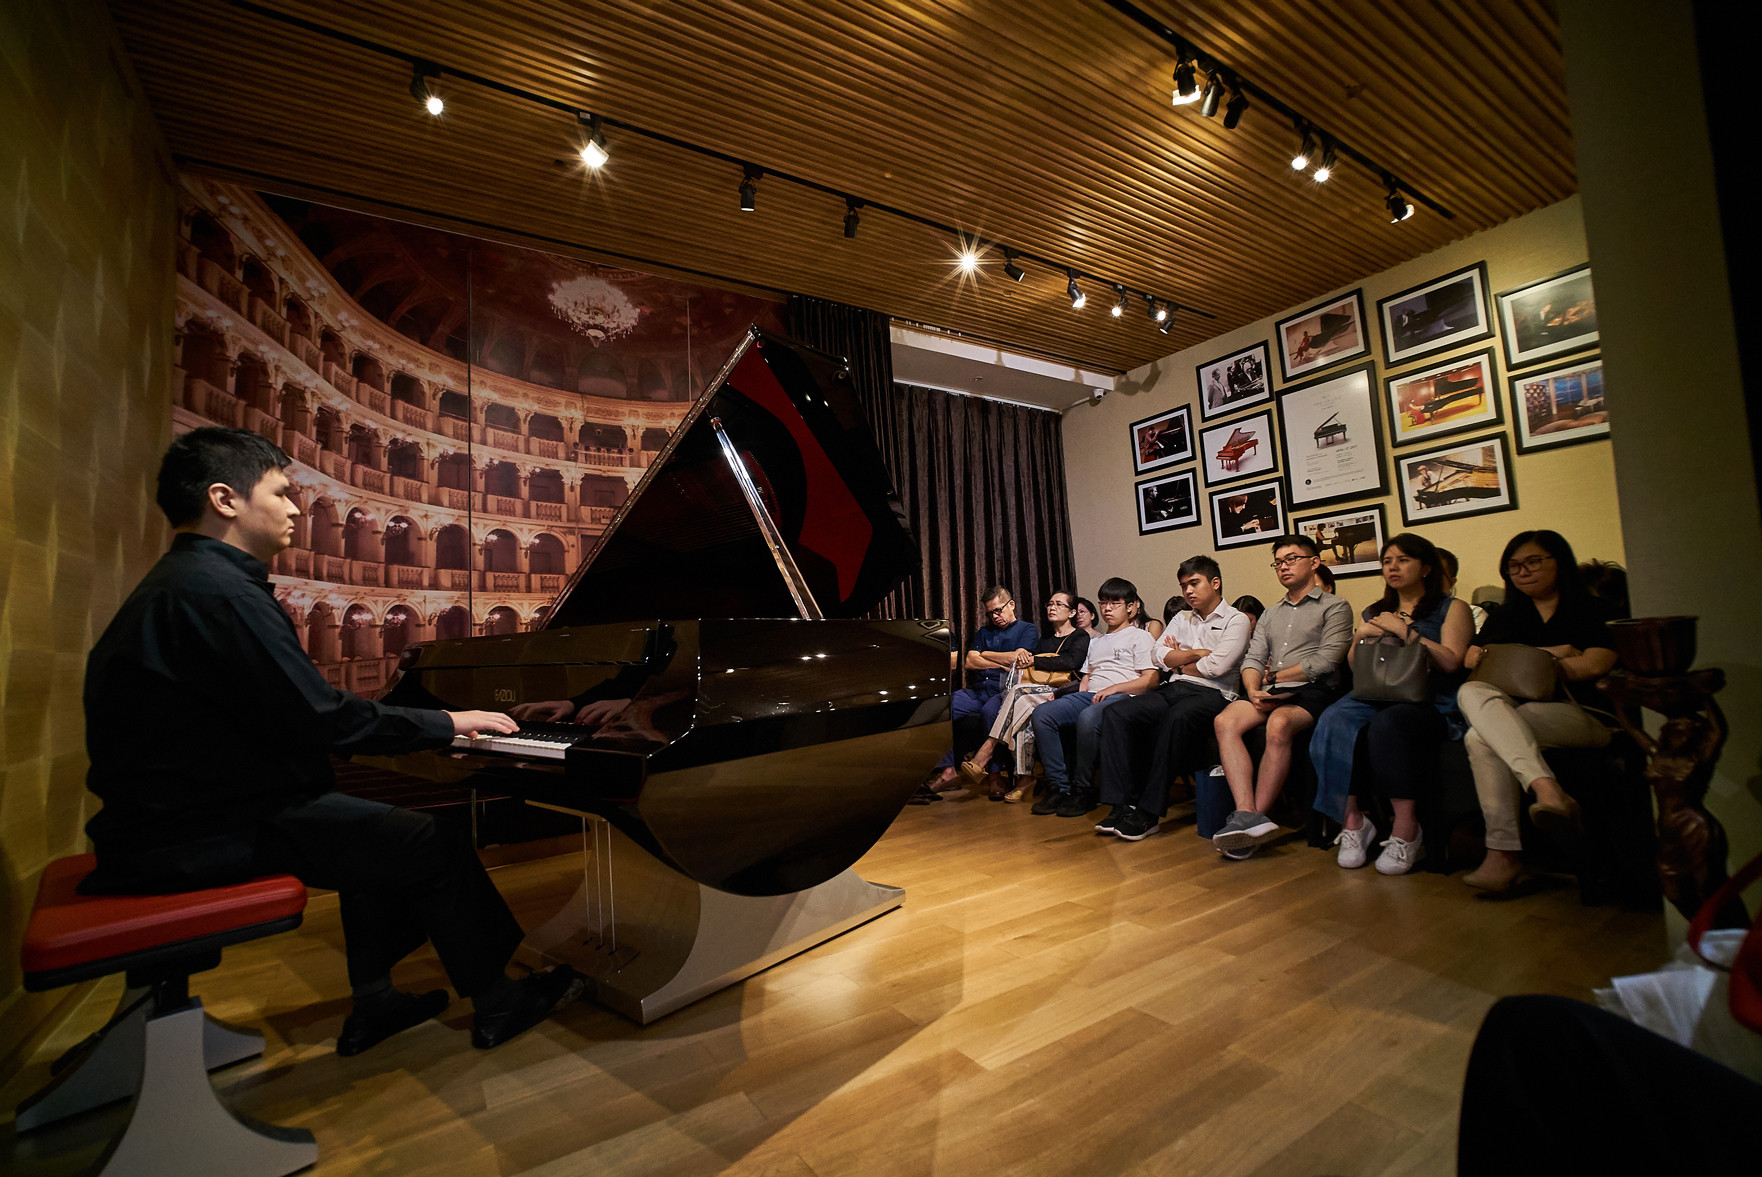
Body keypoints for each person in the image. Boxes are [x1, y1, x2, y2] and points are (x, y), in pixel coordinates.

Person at [79, 428, 583, 1056]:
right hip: (197, 832)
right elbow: (322, 717)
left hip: (166, 821)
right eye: (282, 492)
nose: (295, 509)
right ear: (224, 499)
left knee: (372, 835)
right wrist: (447, 724)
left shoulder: (184, 582)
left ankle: (375, 1002)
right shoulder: (222, 593)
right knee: (431, 840)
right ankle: (500, 1001)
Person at [1459, 531, 1618, 892]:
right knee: (1472, 699)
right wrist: (1556, 653)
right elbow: (1472, 659)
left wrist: (1518, 660)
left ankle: (1504, 855)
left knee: (1482, 733)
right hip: (1518, 711)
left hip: (1582, 712)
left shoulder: (1594, 609)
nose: (1523, 572)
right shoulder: (1507, 615)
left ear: (1559, 561)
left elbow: (1595, 664)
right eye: (1514, 567)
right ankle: (1547, 794)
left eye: (1533, 562)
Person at [1309, 533, 1474, 874]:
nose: (1393, 567)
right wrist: (1360, 636)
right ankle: (1353, 823)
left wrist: (1405, 631)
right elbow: (1357, 667)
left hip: (1429, 699)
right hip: (1375, 693)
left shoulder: (1451, 608)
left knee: (1389, 726)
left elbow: (1452, 661)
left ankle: (1406, 829)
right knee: (1332, 719)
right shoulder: (1375, 610)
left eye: (1403, 560)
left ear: (1426, 567)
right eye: (1387, 561)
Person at [1211, 535, 1353, 857]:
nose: (1284, 567)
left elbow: (1326, 661)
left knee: (1278, 725)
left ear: (1314, 562)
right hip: (1271, 691)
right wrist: (1252, 689)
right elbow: (1252, 659)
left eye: (1291, 559)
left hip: (1316, 691)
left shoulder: (1336, 606)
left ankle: (1252, 821)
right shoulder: (1271, 613)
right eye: (1278, 562)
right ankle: (1247, 814)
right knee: (1225, 721)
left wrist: (1273, 676)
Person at [1092, 557, 1250, 841]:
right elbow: (1157, 656)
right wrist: (1195, 654)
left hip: (1215, 694)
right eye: (1183, 586)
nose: (1188, 591)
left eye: (1194, 583)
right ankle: (1122, 804)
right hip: (1176, 688)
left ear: (1215, 583)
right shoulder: (1181, 618)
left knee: (1175, 719)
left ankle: (1148, 814)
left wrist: (1178, 660)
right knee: (1117, 713)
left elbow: (1217, 668)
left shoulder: (1235, 620)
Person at [1028, 579, 1161, 818]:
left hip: (1124, 696)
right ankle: (1060, 787)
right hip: (1092, 694)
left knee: (1089, 717)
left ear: (1130, 607)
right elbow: (1087, 678)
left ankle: (1083, 789)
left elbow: (1151, 680)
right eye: (1103, 603)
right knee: (1043, 714)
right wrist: (1067, 699)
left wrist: (1115, 688)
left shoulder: (1140, 637)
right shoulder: (1096, 641)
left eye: (1114, 603)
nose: (1107, 608)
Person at [961, 591, 1091, 802]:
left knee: (1019, 694)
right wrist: (1031, 661)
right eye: (1050, 604)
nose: (1052, 607)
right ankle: (1025, 778)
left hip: (1065, 690)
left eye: (1059, 604)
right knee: (1023, 710)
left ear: (1071, 612)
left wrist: (1034, 661)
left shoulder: (1079, 636)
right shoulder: (1046, 639)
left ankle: (986, 749)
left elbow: (1070, 662)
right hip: (1037, 689)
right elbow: (1022, 663)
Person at [916, 585, 1040, 801]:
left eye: (998, 610)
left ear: (1011, 605)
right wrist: (1001, 657)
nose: (995, 616)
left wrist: (987, 655)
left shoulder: (1027, 630)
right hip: (976, 691)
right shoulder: (984, 632)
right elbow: (970, 661)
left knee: (991, 713)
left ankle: (994, 775)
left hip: (1003, 691)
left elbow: (1018, 661)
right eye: (991, 612)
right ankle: (948, 772)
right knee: (937, 706)